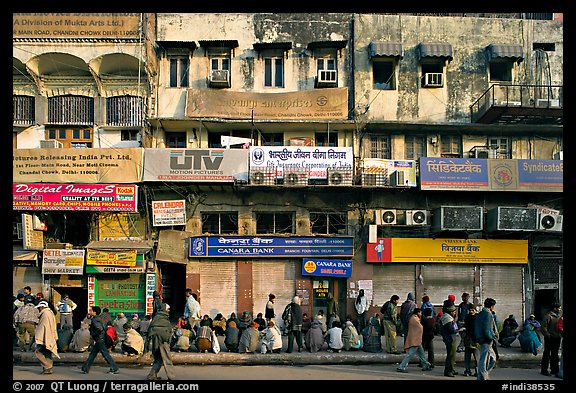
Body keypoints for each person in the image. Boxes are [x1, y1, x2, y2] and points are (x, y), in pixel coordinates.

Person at [80, 306, 120, 375]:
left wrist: (94, 334)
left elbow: (100, 329)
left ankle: (114, 368)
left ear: (94, 312)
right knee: (92, 354)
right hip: (100, 339)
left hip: (99, 339)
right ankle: (85, 368)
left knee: (105, 354)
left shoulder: (95, 320)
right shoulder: (98, 318)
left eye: (91, 311)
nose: (90, 312)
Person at [396, 308, 433, 373]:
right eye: (420, 313)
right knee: (410, 354)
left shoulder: (414, 318)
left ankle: (426, 365)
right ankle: (401, 366)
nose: (421, 314)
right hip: (415, 340)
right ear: (418, 312)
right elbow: (420, 328)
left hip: (417, 339)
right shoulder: (414, 319)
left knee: (421, 354)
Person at [146, 303, 176, 380]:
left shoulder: (157, 317)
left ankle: (152, 375)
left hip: (155, 342)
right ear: (164, 309)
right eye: (168, 309)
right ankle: (171, 377)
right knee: (167, 359)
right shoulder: (162, 318)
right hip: (163, 342)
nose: (169, 311)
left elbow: (150, 329)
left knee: (159, 359)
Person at [34, 301, 60, 375]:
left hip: (44, 336)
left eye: (39, 308)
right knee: (47, 352)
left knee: (38, 352)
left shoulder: (45, 314)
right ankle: (49, 367)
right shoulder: (50, 313)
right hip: (50, 336)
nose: (39, 309)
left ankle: (47, 366)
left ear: (42, 307)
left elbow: (42, 327)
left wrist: (38, 336)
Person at [475, 297, 498, 381]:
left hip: (481, 338)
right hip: (486, 340)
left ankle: (482, 375)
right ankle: (484, 376)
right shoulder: (488, 315)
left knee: (492, 358)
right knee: (484, 359)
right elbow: (487, 329)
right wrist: (491, 337)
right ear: (491, 306)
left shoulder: (480, 314)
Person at [540, 302, 562, 377]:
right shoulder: (548, 316)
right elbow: (543, 327)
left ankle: (555, 370)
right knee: (547, 354)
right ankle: (544, 370)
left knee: (555, 355)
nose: (560, 309)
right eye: (559, 308)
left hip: (557, 337)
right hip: (550, 338)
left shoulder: (558, 316)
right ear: (554, 308)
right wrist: (548, 335)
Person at [440, 300, 459, 377]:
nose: (455, 313)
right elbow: (451, 329)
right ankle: (449, 371)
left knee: (452, 355)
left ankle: (451, 369)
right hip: (450, 339)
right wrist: (458, 330)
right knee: (451, 355)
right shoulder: (447, 318)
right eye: (454, 311)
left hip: (450, 338)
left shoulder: (447, 317)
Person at [463, 305, 480, 377]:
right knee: (467, 356)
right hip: (468, 339)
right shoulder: (467, 317)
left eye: (472, 310)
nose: (471, 311)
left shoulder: (478, 318)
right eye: (470, 310)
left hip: (475, 340)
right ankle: (467, 370)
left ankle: (478, 371)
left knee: (477, 357)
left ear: (475, 310)